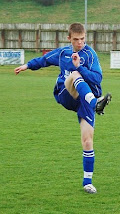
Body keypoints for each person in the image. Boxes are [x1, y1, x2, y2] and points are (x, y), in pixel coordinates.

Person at [14, 22, 112, 194]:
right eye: (76, 39)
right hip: (66, 94)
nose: (80, 42)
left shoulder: (90, 55)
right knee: (74, 75)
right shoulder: (63, 53)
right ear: (69, 38)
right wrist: (27, 66)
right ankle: (95, 104)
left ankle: (87, 182)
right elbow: (44, 60)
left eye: (82, 39)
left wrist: (79, 66)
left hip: (84, 99)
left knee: (88, 141)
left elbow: (97, 79)